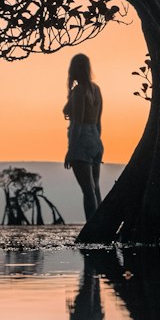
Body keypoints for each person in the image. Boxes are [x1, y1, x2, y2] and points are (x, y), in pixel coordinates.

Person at [63, 53, 104, 222]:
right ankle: (101, 223)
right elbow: (99, 123)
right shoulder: (96, 90)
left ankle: (92, 228)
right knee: (95, 188)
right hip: (95, 139)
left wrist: (70, 151)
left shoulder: (79, 91)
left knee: (88, 190)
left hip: (82, 139)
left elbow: (78, 123)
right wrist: (96, 143)